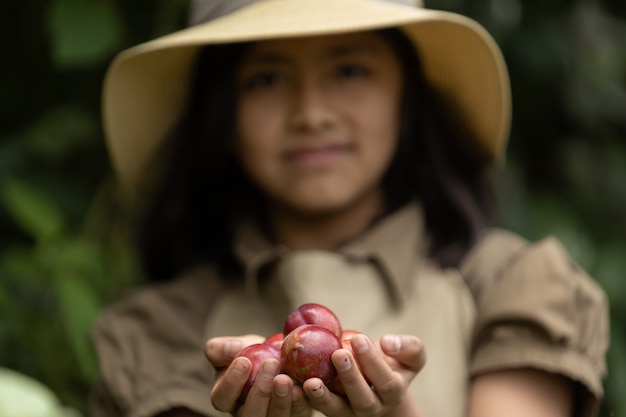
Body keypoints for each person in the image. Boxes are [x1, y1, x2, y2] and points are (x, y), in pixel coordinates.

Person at [90, 0, 610, 416]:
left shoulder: (510, 285)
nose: (311, 114)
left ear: (407, 100)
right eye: (267, 79)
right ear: (222, 115)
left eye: (350, 70)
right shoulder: (156, 332)